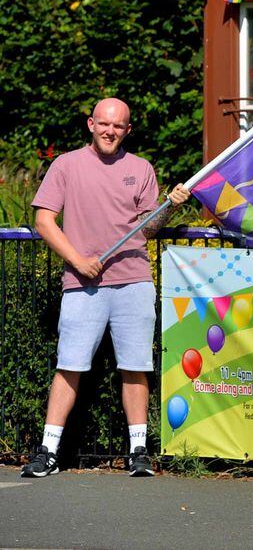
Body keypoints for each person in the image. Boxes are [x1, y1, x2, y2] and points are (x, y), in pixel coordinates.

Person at [22, 98, 190, 478]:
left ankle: (138, 452)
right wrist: (79, 262)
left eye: (118, 125)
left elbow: (148, 227)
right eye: (104, 123)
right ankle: (47, 451)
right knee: (70, 366)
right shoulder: (66, 165)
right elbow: (44, 221)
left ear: (127, 130)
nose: (110, 130)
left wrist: (172, 205)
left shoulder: (141, 168)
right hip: (82, 286)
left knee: (135, 368)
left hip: (134, 282)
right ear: (91, 124)